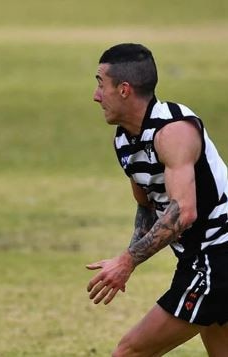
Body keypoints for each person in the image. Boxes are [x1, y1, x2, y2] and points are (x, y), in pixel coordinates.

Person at [86, 43, 228, 356]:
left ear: (124, 90)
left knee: (129, 352)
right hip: (199, 259)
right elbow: (146, 205)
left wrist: (126, 261)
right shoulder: (125, 140)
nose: (96, 95)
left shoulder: (173, 131)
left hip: (217, 258)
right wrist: (130, 258)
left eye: (100, 84)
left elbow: (183, 213)